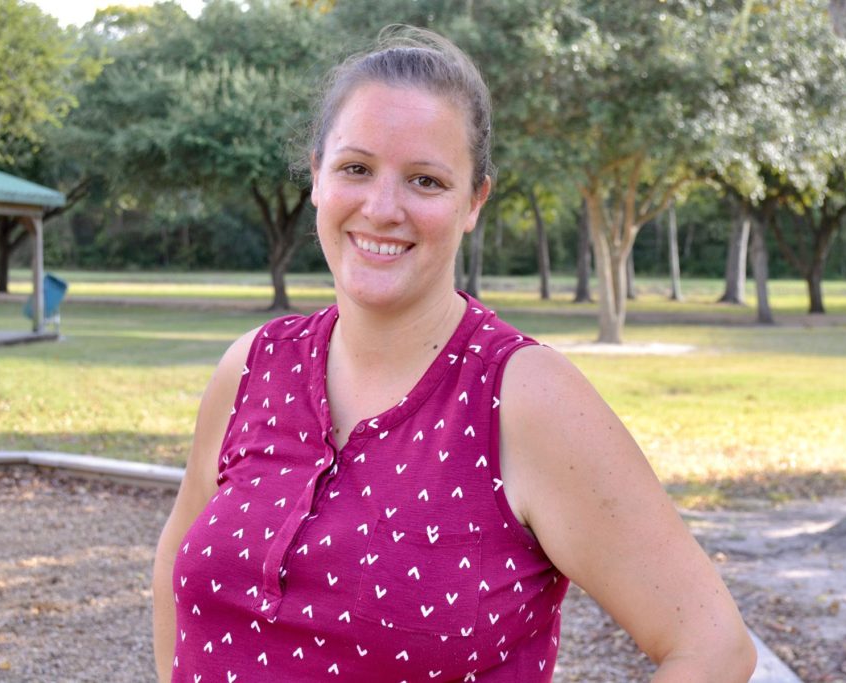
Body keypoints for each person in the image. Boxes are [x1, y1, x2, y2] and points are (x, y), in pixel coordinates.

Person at [152, 26, 756, 683]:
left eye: (425, 181)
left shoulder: (524, 397)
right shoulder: (252, 367)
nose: (383, 208)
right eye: (356, 168)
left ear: (474, 202)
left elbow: (714, 645)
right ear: (317, 177)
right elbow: (174, 566)